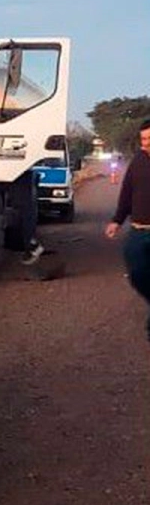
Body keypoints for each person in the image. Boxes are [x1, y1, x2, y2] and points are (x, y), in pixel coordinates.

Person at [105, 119, 150, 342]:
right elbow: (126, 193)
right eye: (143, 139)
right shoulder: (138, 161)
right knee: (137, 274)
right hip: (138, 230)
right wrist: (116, 220)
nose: (146, 144)